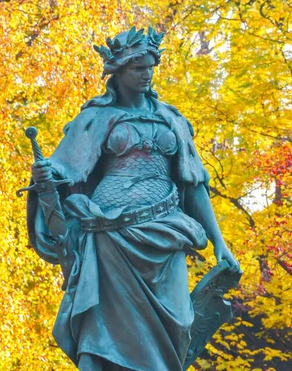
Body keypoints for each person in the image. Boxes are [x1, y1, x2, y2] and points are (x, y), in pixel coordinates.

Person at [27, 26, 239, 371]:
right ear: (118, 71)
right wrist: (45, 176)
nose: (146, 74)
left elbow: (194, 183)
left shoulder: (172, 119)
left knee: (180, 325)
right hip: (112, 238)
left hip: (167, 233)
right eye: (137, 67)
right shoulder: (95, 118)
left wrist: (220, 243)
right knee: (105, 334)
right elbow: (64, 172)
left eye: (150, 66)